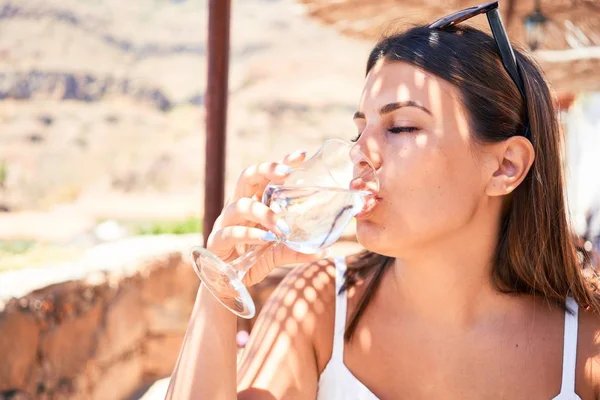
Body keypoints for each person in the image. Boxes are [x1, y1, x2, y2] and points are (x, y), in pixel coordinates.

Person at [167, 2, 600, 398]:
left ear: (505, 166)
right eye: (361, 131)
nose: (360, 154)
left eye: (401, 128)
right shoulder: (322, 308)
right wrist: (217, 289)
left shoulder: (585, 347)